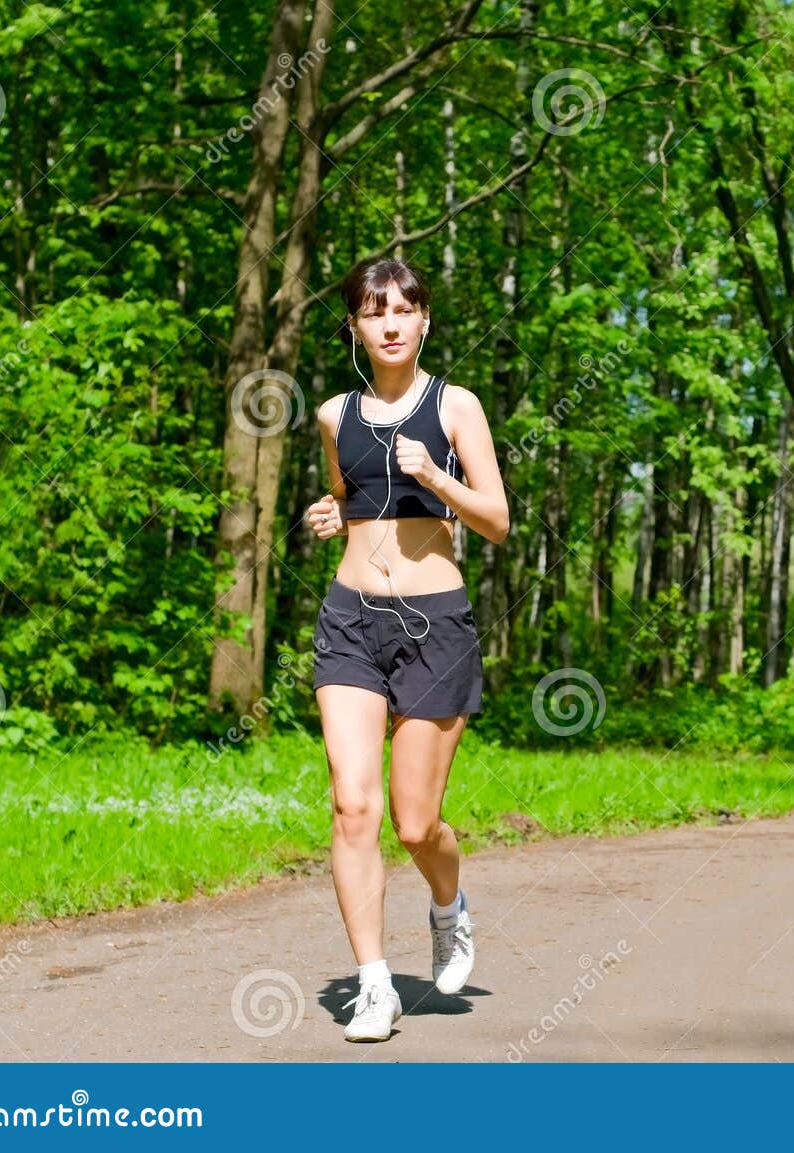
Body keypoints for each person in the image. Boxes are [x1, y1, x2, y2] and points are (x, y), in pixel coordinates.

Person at [304, 257, 509, 1042]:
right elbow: (352, 498)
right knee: (353, 804)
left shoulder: (457, 406)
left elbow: (495, 519)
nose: (389, 323)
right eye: (372, 311)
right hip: (351, 620)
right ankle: (375, 984)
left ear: (425, 320)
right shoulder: (332, 414)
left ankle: (450, 910)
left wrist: (438, 476)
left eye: (404, 309)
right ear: (354, 326)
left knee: (416, 824)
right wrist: (329, 512)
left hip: (436, 626)